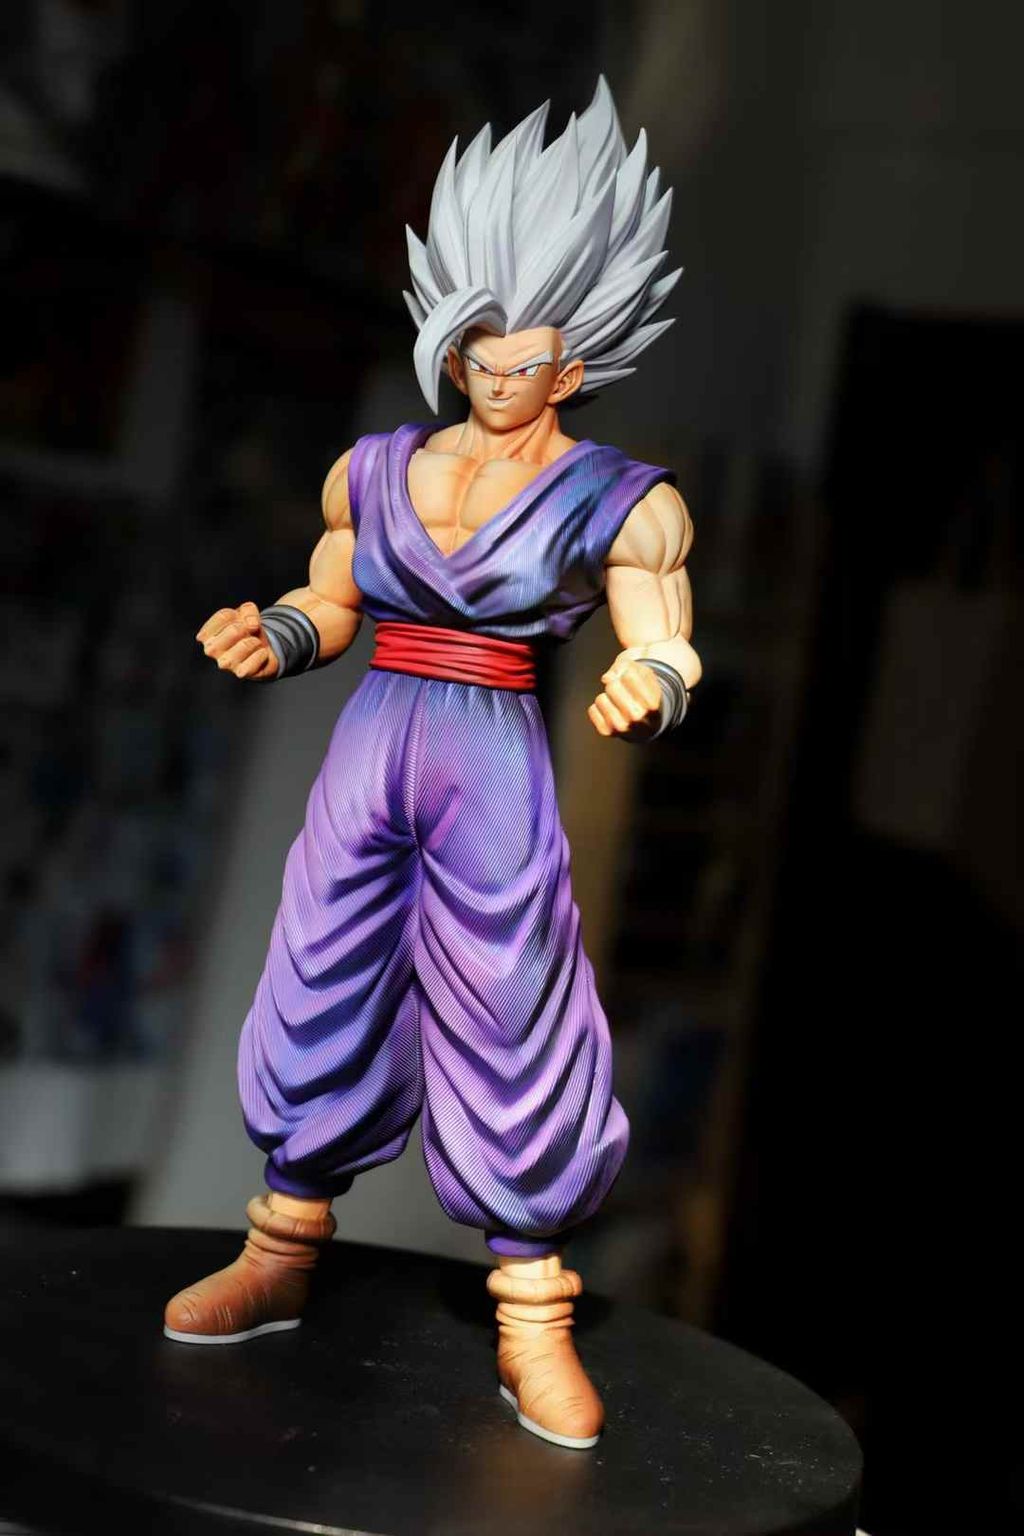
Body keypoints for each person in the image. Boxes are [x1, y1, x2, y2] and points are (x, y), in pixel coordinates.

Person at [164, 77, 701, 1452]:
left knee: (512, 999)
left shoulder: (620, 498)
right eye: (473, 351)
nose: (489, 378)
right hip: (375, 734)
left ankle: (532, 1316)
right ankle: (281, 1248)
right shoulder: (376, 466)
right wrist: (277, 633)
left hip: (492, 747)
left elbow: (663, 631)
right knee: (321, 968)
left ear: (569, 369)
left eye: (518, 362)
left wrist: (651, 681)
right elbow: (333, 597)